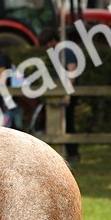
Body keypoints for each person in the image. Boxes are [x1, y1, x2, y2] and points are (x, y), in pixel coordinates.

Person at [38, 28, 80, 165]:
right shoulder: (58, 52)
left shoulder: (65, 51)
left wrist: (67, 93)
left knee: (67, 123)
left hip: (68, 92)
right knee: (63, 123)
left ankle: (73, 153)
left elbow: (72, 72)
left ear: (53, 41)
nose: (46, 47)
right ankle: (66, 153)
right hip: (61, 91)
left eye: (47, 43)